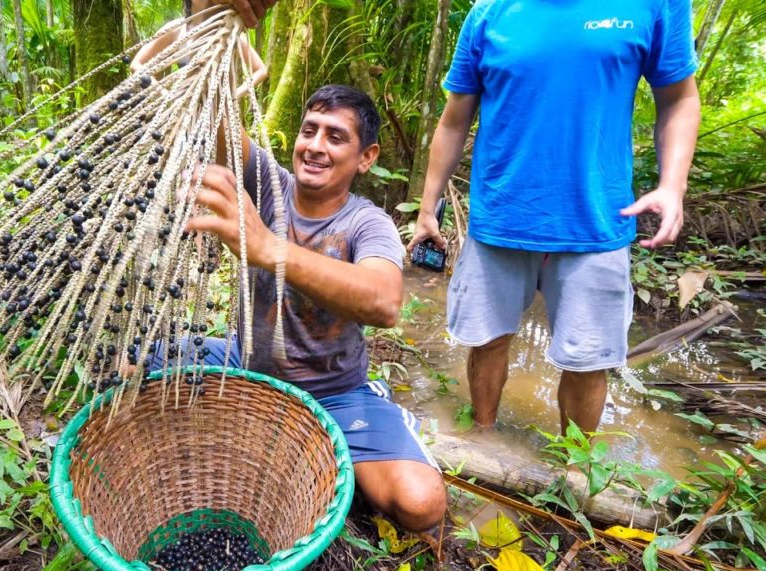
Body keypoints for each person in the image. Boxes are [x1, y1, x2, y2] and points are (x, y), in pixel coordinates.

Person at [149, 84, 447, 533]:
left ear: (366, 157)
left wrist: (271, 247)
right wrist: (209, 22)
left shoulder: (366, 223)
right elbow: (212, 114)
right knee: (133, 362)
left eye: (335, 136)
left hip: (335, 393)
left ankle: (369, 416)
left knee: (420, 504)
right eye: (310, 131)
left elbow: (384, 303)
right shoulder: (268, 186)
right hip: (245, 365)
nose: (315, 146)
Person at [406, 0, 702, 433]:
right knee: (487, 342)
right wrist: (427, 209)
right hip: (500, 218)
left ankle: (576, 473)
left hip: (596, 221)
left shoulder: (655, 4)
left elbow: (678, 99)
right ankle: (484, 436)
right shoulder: (489, 12)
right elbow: (453, 121)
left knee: (589, 360)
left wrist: (672, 186)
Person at [132, 0, 267, 99]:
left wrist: (234, 95)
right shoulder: (178, 30)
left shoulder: (229, 32)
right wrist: (165, 95)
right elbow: (137, 64)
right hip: (185, 114)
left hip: (220, 113)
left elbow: (261, 70)